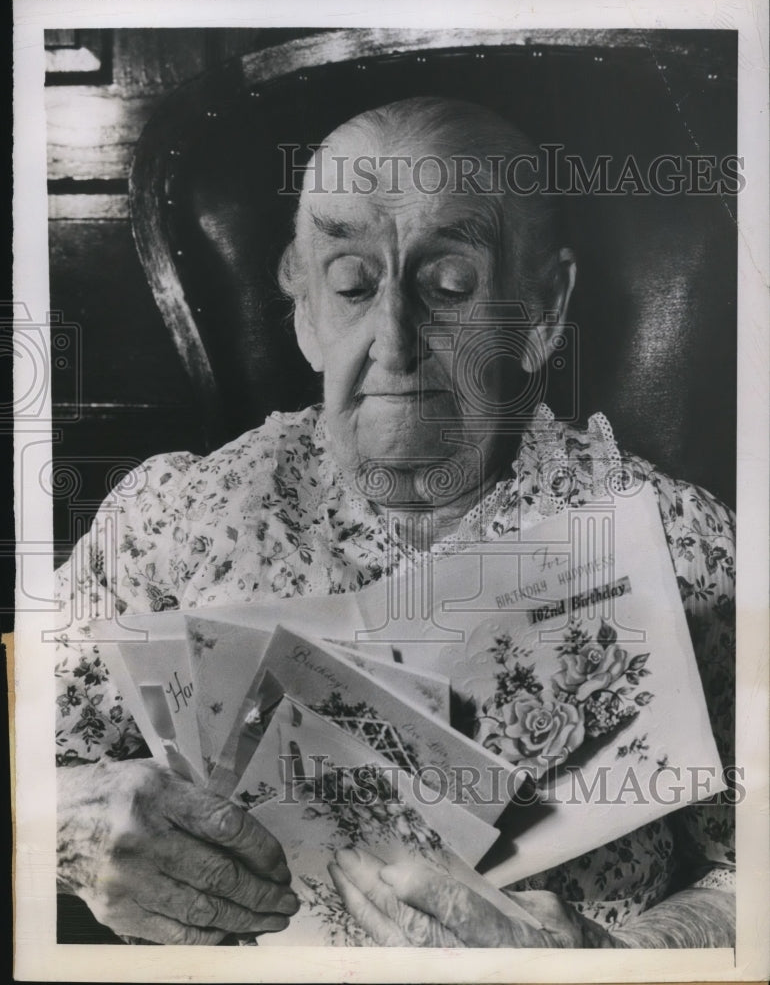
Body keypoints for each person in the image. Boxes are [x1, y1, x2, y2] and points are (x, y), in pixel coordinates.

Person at [54, 97, 735, 947]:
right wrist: (63, 823)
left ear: (544, 307)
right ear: (302, 306)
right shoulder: (169, 523)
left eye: (449, 286)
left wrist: (613, 960)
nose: (393, 337)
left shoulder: (682, 545)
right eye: (350, 284)